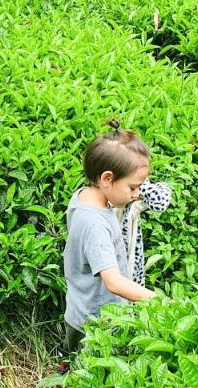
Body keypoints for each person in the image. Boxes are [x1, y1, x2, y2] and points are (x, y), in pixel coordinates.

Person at [61, 119, 172, 362]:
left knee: (71, 362)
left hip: (80, 309)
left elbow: (150, 195)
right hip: (96, 320)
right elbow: (113, 282)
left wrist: (134, 190)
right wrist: (158, 301)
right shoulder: (95, 225)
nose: (136, 194)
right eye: (133, 187)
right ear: (107, 179)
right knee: (87, 373)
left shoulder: (86, 196)